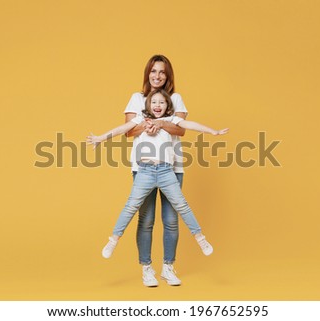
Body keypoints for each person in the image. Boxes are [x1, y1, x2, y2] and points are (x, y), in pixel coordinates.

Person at [87, 89, 228, 286]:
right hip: (144, 172)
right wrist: (101, 138)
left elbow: (189, 124)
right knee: (131, 207)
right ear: (148, 105)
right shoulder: (140, 120)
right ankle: (113, 240)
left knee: (182, 206)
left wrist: (211, 131)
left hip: (166, 172)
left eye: (162, 102)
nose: (158, 105)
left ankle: (200, 238)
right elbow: (122, 129)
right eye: (154, 102)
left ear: (167, 106)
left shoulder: (171, 121)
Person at [123, 55, 190, 287]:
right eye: (153, 71)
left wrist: (160, 123)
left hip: (172, 166)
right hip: (143, 167)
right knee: (146, 219)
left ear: (167, 75)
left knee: (171, 220)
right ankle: (147, 268)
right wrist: (148, 124)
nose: (157, 76)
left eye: (162, 72)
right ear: (147, 73)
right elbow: (129, 131)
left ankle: (168, 267)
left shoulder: (176, 99)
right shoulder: (136, 98)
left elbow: (180, 131)